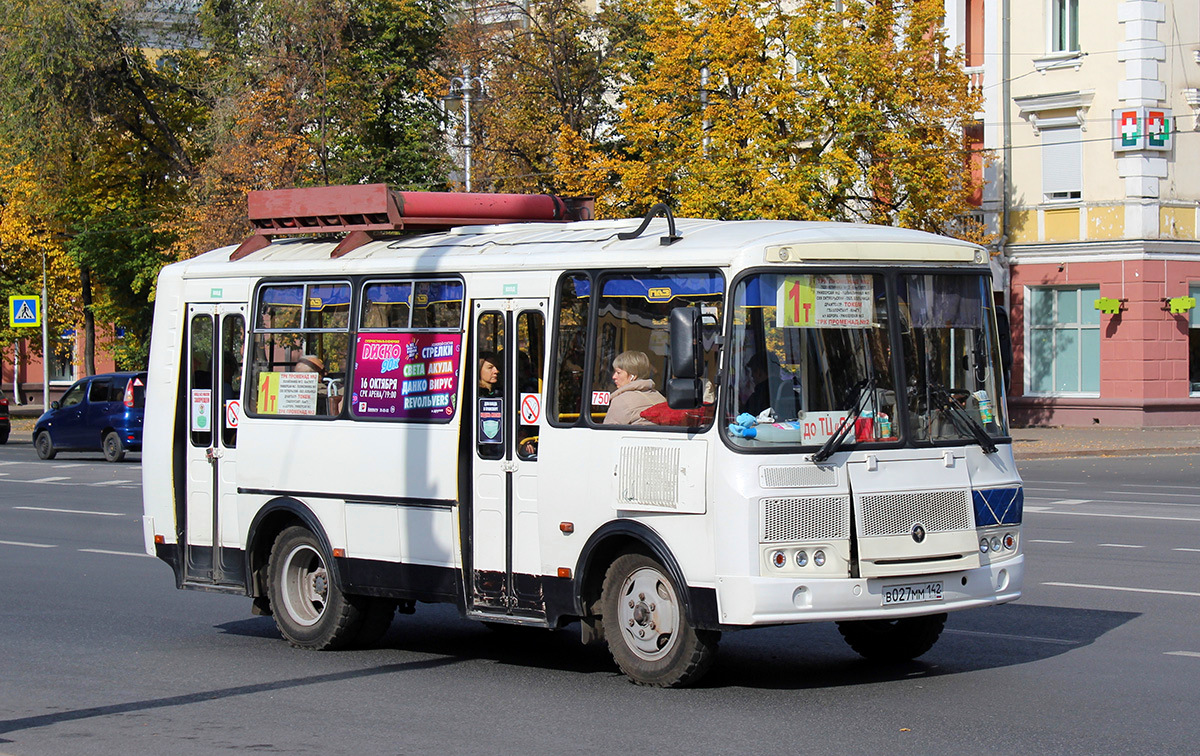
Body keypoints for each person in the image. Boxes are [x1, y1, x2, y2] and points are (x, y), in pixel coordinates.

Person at [603, 350, 665, 426]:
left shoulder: (621, 401)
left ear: (632, 376)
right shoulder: (659, 397)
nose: (614, 377)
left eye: (618, 372)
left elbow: (607, 433)